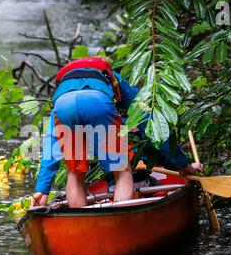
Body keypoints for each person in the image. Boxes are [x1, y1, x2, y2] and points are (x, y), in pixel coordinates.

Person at [30, 56, 202, 208]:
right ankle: (119, 217)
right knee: (121, 170)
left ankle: (82, 226)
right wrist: (182, 164)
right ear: (106, 69)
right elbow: (150, 122)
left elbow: (51, 140)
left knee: (74, 173)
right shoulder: (113, 79)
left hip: (64, 107)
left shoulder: (64, 89)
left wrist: (42, 189)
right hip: (97, 102)